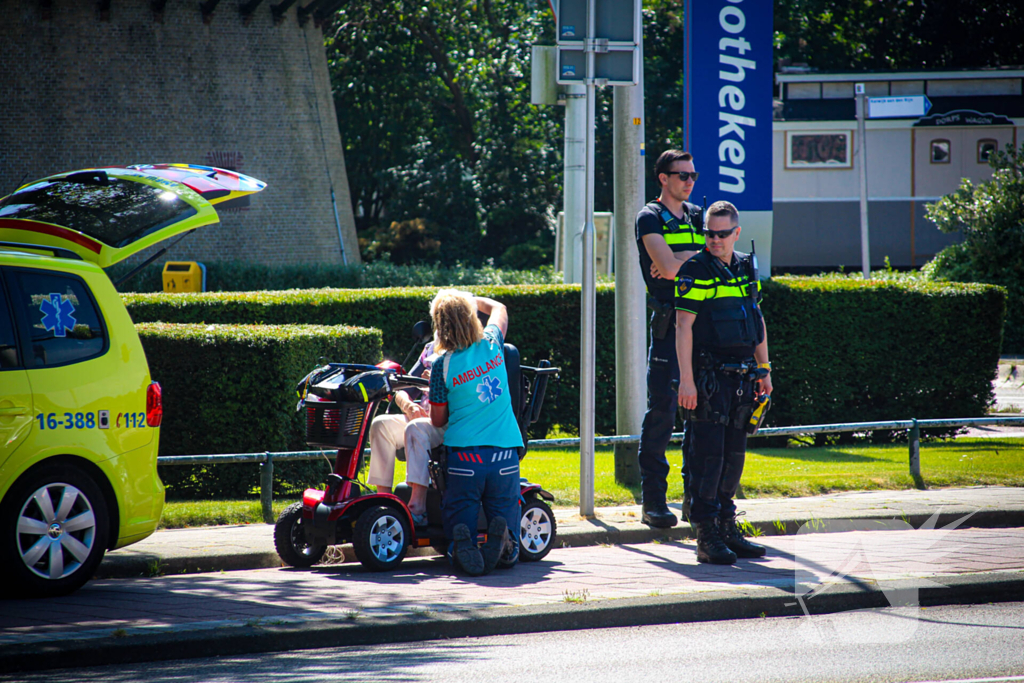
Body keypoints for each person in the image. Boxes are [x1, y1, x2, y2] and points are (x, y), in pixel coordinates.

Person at [674, 200, 772, 564]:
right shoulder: (695, 270)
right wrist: (687, 381)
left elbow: (755, 318)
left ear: (736, 233)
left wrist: (765, 370)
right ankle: (706, 535)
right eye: (708, 233)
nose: (714, 240)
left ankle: (728, 526)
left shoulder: (746, 267)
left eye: (721, 234)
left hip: (744, 376)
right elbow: (683, 327)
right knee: (707, 457)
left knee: (734, 457)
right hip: (709, 377)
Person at [634, 149, 705, 528]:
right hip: (667, 328)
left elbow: (717, 261)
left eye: (693, 175)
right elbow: (666, 267)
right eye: (682, 175)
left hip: (702, 327)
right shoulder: (649, 217)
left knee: (703, 416)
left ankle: (696, 501)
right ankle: (654, 503)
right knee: (662, 413)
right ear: (663, 178)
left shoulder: (698, 215)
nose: (690, 181)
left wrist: (684, 263)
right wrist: (688, 263)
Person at [428, 290, 522, 576]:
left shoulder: (441, 365)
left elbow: (437, 418)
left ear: (439, 325)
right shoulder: (493, 345)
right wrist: (472, 298)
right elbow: (500, 307)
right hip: (505, 455)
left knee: (460, 510)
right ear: (472, 318)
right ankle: (506, 545)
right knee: (505, 510)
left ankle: (462, 543)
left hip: (464, 458)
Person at [367, 341, 443, 527]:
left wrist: (436, 383)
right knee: (379, 425)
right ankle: (383, 502)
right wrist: (409, 406)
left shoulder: (464, 349)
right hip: (422, 418)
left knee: (416, 427)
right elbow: (401, 389)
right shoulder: (430, 349)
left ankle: (418, 508)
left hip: (446, 421)